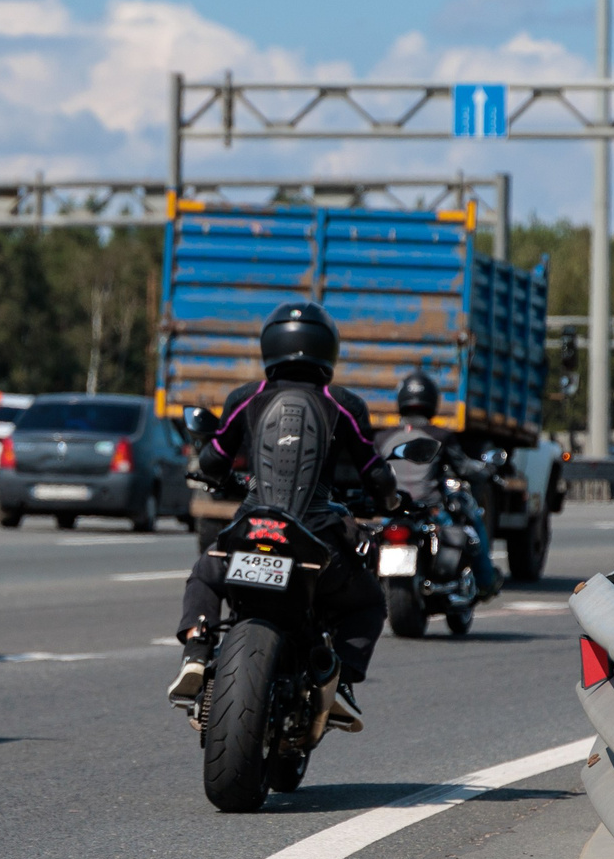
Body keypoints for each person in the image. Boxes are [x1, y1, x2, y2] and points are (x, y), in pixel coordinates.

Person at [170, 301, 396, 731]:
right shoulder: (342, 403)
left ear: (270, 344)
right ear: (327, 348)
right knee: (369, 602)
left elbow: (214, 461)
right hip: (316, 541)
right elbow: (376, 474)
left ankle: (197, 651)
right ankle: (341, 679)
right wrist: (387, 502)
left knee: (205, 572)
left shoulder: (246, 398)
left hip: (253, 528)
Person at [375, 370, 499, 600]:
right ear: (431, 401)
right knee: (472, 527)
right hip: (430, 509)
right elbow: (464, 468)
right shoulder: (441, 435)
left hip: (391, 511)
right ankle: (485, 582)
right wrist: (487, 470)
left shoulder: (382, 438)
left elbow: (373, 473)